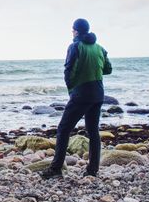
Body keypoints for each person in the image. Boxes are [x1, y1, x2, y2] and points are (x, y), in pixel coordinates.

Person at [41, 18, 112, 179]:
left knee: (63, 129)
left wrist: (72, 91)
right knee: (93, 131)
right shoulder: (100, 48)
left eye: (73, 29)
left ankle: (56, 168)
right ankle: (92, 170)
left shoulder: (75, 46)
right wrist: (94, 68)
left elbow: (68, 71)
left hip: (81, 94)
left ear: (77, 31)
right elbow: (108, 69)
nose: (72, 32)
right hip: (98, 94)